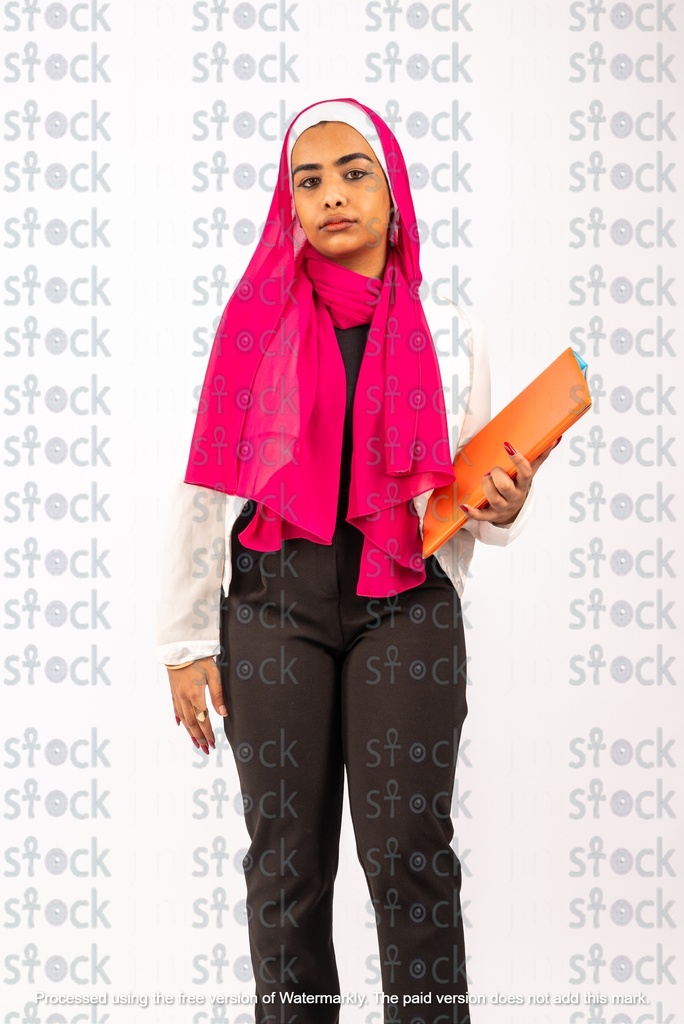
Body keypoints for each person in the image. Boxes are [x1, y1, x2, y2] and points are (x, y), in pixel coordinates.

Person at [157, 98, 558, 1024]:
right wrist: (183, 642)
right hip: (272, 607)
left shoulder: (448, 331)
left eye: (353, 173)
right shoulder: (253, 324)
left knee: (409, 852)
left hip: (406, 605)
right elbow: (207, 484)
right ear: (289, 205)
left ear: (393, 193)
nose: (332, 194)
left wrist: (509, 504)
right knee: (285, 865)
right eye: (309, 181)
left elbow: (469, 491)